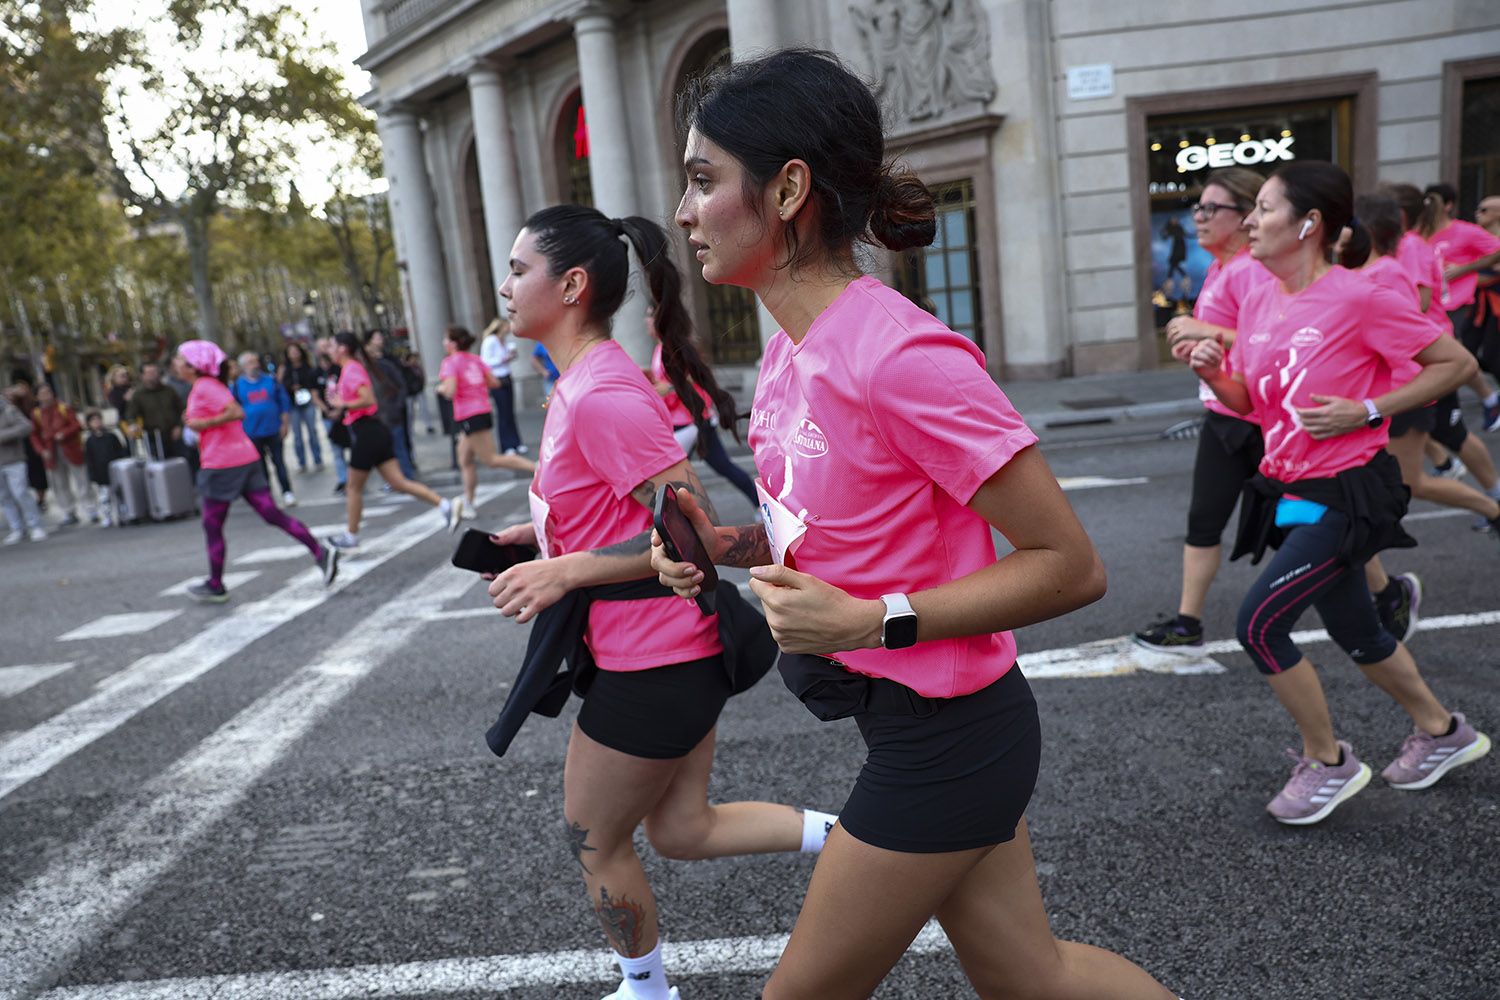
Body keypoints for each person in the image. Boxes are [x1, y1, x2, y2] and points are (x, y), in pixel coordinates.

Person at [655, 49, 1174, 999]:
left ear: (787, 191)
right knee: (1034, 979)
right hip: (911, 725)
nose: (684, 211)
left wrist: (872, 621)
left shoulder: (901, 356)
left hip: (952, 737)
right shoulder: (789, 351)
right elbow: (828, 533)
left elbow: (1070, 564)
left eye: (702, 180)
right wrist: (717, 547)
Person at [486, 204, 836, 1000]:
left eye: (518, 269)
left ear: (570, 285)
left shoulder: (601, 392)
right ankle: (857, 840)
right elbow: (621, 505)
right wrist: (543, 537)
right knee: (682, 828)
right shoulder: (580, 382)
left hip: (656, 658)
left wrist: (566, 572)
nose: (505, 286)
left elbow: (691, 527)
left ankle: (648, 993)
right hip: (666, 651)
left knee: (593, 838)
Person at [1187, 160, 1490, 825]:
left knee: (1259, 626)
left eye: (1265, 208)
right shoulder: (1261, 300)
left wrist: (1370, 409)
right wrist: (1215, 374)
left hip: (1347, 491)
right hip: (1290, 489)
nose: (1250, 221)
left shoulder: (1358, 297)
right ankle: (1443, 732)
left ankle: (1327, 762)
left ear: (1310, 224)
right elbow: (1257, 404)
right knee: (1357, 629)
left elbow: (1457, 363)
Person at [1134, 167, 1273, 653]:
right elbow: (1229, 344)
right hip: (1225, 414)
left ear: (1246, 214)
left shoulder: (1252, 269)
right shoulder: (1218, 268)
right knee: (1204, 522)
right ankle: (1187, 624)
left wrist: (1203, 332)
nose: (1199, 216)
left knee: (1309, 521)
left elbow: (1270, 340)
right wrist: (1196, 351)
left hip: (1264, 421)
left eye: (1212, 208)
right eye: (1199, 207)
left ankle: (1383, 593)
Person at [173, 341, 337, 602]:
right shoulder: (207, 386)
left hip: (222, 464)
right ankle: (320, 552)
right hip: (244, 457)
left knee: (212, 525)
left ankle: (216, 584)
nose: (176, 363)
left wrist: (202, 423)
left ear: (194, 366)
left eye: (180, 359)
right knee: (271, 513)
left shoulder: (205, 386)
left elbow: (235, 412)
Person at [323, 331, 460, 551]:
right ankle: (445, 505)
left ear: (343, 348)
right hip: (374, 430)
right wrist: (340, 407)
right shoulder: (350, 369)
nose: (328, 350)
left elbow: (369, 400)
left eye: (331, 345)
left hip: (368, 432)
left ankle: (351, 536)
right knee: (398, 482)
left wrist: (343, 404)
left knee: (353, 487)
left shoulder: (352, 369)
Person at [644, 304, 758, 508]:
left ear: (662, 319)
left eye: (650, 316)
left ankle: (758, 504)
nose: (647, 321)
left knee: (669, 477)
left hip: (692, 422)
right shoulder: (659, 348)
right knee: (717, 467)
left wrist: (669, 388)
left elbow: (696, 381)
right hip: (682, 422)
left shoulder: (676, 348)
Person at [1419, 182, 1500, 428]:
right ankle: (1486, 400)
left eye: (1433, 201)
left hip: (1463, 305)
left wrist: (1465, 269)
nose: (1428, 206)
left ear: (1448, 205)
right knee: (1460, 357)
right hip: (1435, 307)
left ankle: (1485, 401)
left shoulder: (1465, 231)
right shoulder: (1421, 235)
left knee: (1460, 357)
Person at [436, 325, 535, 515]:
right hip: (481, 410)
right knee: (465, 459)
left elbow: (450, 391)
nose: (444, 343)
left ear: (453, 343)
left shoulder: (450, 362)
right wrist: (475, 387)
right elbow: (494, 382)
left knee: (491, 459)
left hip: (469, 415)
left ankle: (538, 469)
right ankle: (468, 502)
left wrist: (440, 388)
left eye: (446, 339)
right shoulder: (475, 360)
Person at [233, 352, 296, 506]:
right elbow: (234, 408)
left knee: (279, 462)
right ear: (243, 367)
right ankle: (267, 495)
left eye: (256, 361)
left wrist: (285, 424)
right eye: (250, 362)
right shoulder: (237, 386)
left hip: (273, 429)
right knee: (260, 467)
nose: (255, 365)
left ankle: (287, 492)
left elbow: (284, 403)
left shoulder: (271, 381)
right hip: (252, 432)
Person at [28, 384, 93, 526]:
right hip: (51, 453)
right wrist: (41, 450)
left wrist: (64, 433)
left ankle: (90, 508)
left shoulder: (64, 408)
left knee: (82, 479)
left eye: (48, 392)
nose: (46, 395)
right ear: (37, 397)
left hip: (71, 448)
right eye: (43, 393)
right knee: (59, 484)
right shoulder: (36, 414)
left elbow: (77, 425)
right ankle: (68, 511)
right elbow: (34, 435)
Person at [364, 330, 417, 481]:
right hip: (379, 415)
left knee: (398, 445)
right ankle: (397, 478)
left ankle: (404, 475)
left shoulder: (387, 364)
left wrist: (397, 405)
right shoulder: (366, 370)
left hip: (391, 413)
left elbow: (401, 385)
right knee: (387, 449)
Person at [0, 392, 45, 543]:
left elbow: (26, 426)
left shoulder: (9, 410)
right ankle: (17, 528)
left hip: (14, 460)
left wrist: (3, 435)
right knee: (4, 498)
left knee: (20, 493)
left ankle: (35, 526)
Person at [479, 317, 526, 454]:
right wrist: (503, 359)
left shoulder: (504, 341)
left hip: (506, 376)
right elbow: (485, 361)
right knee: (503, 412)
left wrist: (510, 356)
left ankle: (516, 442)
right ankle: (506, 445)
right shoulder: (490, 341)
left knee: (510, 412)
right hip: (496, 379)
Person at [123, 362, 185, 460]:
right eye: (149, 373)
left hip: (174, 434)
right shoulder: (138, 395)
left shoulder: (169, 390)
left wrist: (179, 426)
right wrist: (133, 424)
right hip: (154, 437)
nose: (153, 375)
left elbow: (181, 409)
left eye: (155, 372)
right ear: (142, 376)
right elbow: (131, 414)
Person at [279, 341, 324, 472]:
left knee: (312, 432)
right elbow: (280, 385)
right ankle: (302, 462)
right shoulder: (285, 368)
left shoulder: (307, 366)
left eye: (296, 351)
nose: (294, 354)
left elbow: (313, 382)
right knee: (297, 436)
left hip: (307, 402)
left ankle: (318, 459)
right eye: (291, 352)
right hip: (293, 405)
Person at [314, 339, 349, 495]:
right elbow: (315, 395)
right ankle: (344, 479)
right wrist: (328, 411)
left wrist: (340, 409)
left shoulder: (340, 368)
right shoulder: (315, 373)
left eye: (326, 346)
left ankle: (355, 478)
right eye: (321, 347)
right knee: (336, 449)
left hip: (345, 413)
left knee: (353, 445)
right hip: (328, 415)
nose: (324, 350)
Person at [83, 409, 127, 527]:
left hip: (114, 470)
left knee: (119, 493)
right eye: (93, 420)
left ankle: (123, 514)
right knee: (104, 497)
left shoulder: (111, 436)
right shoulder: (89, 441)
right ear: (89, 424)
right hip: (101, 473)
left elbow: (121, 451)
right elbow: (89, 459)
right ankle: (107, 516)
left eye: (98, 419)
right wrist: (92, 474)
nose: (96, 422)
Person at [403, 351, 436, 434]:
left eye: (415, 358)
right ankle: (410, 428)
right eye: (412, 358)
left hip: (419, 390)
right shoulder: (405, 369)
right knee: (410, 412)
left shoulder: (418, 367)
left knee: (424, 409)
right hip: (409, 392)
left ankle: (428, 425)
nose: (414, 360)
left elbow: (422, 377)